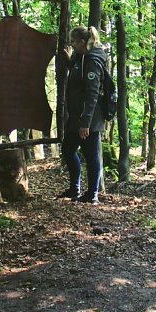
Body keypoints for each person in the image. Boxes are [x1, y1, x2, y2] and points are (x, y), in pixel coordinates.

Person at [56, 25, 108, 204]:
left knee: (91, 154)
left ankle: (92, 194)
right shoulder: (82, 57)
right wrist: (70, 61)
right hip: (77, 117)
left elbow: (92, 93)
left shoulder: (92, 60)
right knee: (68, 150)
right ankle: (75, 188)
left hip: (89, 119)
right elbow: (79, 76)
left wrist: (85, 123)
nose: (71, 44)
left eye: (73, 42)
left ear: (82, 42)